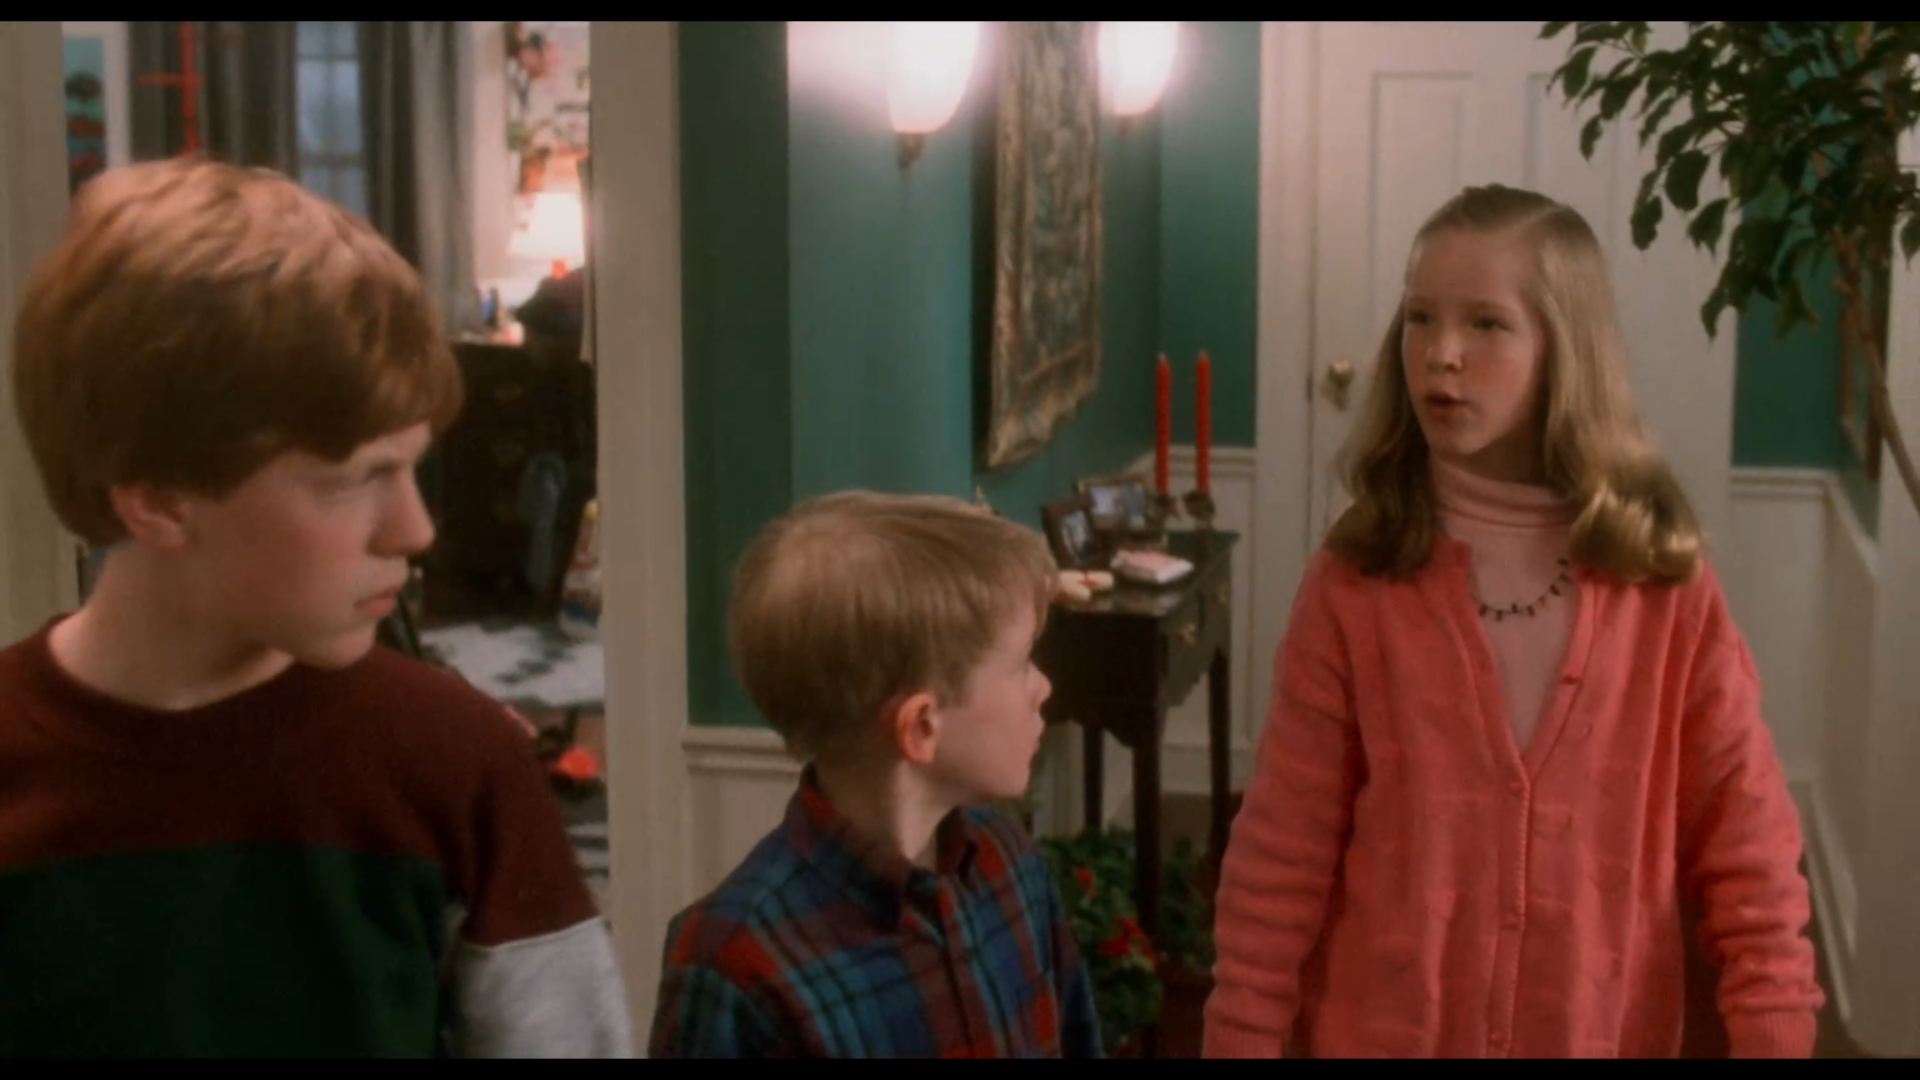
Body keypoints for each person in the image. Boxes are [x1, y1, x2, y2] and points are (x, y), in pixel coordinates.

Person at [0, 156, 630, 1058]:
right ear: (161, 497)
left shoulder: (457, 763)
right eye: (354, 479)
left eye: (411, 467)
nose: (415, 529)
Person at [1202, 184, 1824, 1059]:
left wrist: (1775, 1028)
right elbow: (1282, 847)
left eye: (1486, 324)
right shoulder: (1358, 577)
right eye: (1420, 318)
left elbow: (1749, 842)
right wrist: (1241, 1033)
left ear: (1565, 349)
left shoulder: (1659, 584)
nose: (1441, 354)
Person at [648, 491, 1101, 1058]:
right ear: (921, 726)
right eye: (1021, 663)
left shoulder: (1009, 861)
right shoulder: (733, 967)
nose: (1043, 687)